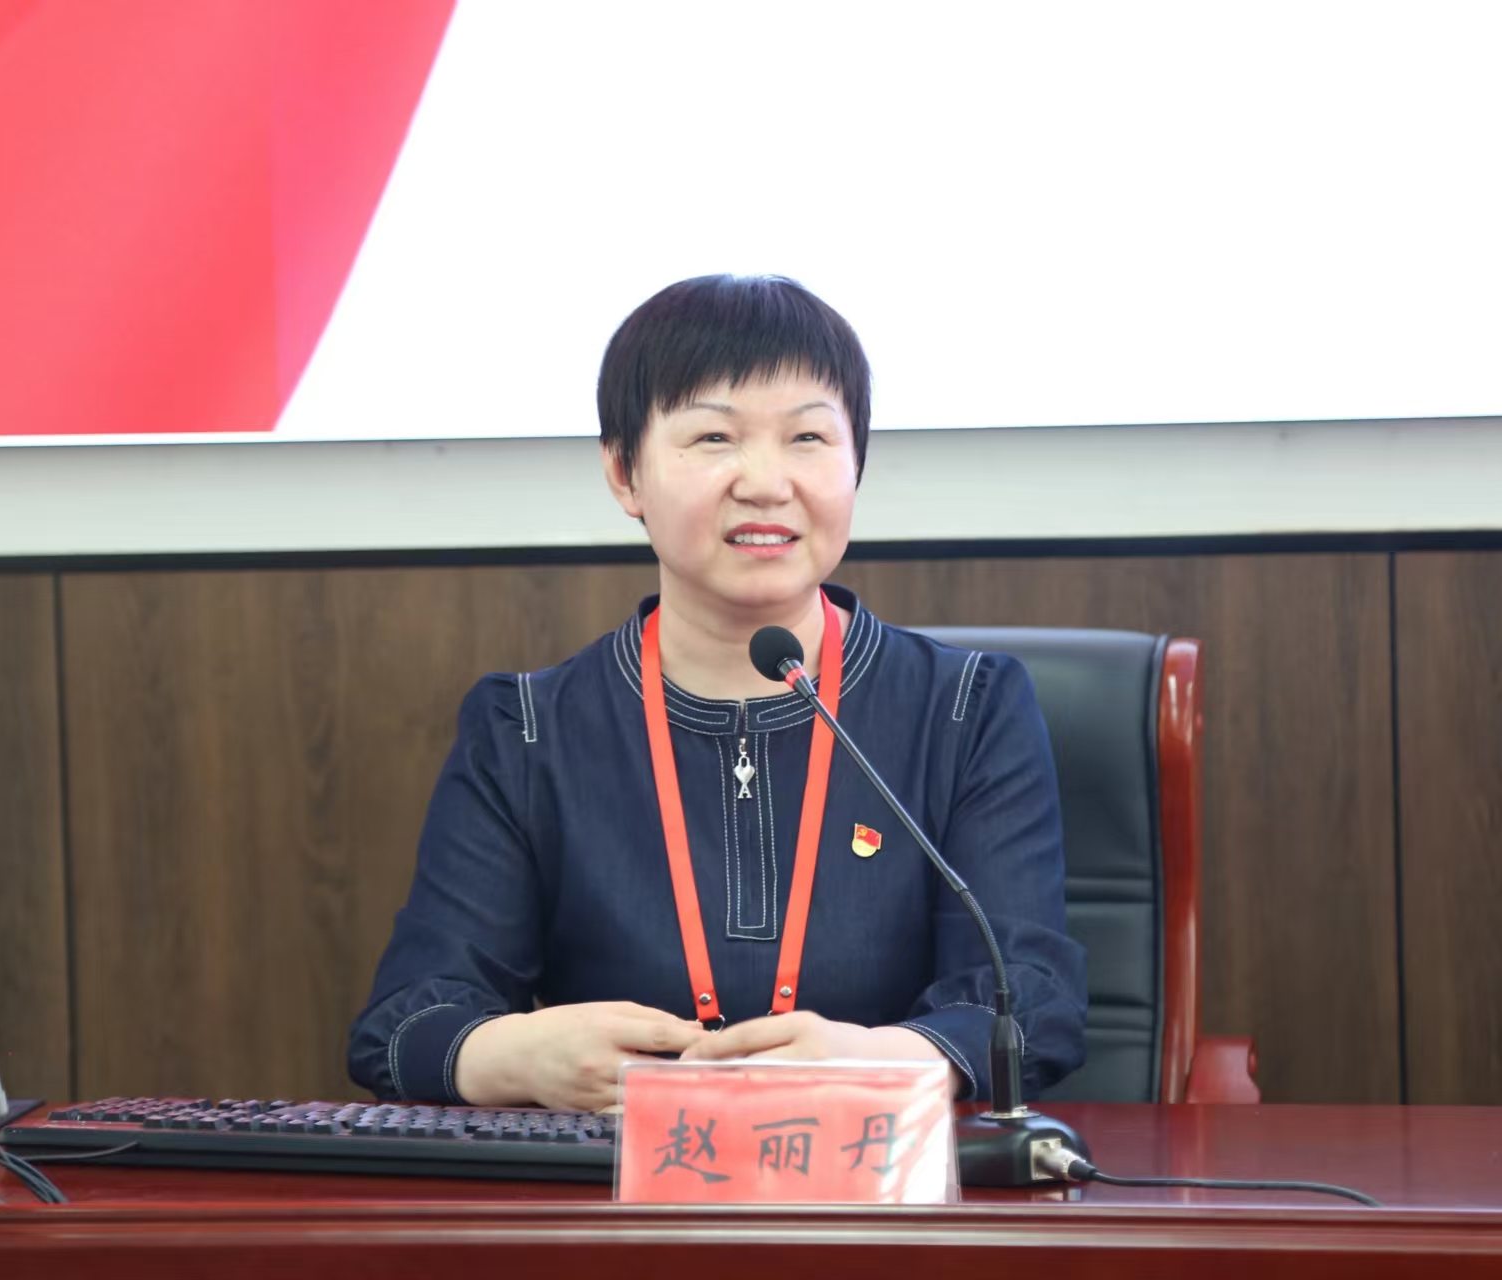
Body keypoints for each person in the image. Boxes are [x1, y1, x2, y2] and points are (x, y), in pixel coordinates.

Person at [348, 275, 1086, 1111]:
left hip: (884, 1175)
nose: (766, 482)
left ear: (856, 465)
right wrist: (515, 1057)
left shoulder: (966, 708)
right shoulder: (525, 731)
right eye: (713, 437)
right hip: (617, 1178)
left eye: (807, 437)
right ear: (624, 473)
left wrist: (880, 1062)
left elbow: (1030, 1002)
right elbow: (406, 1023)